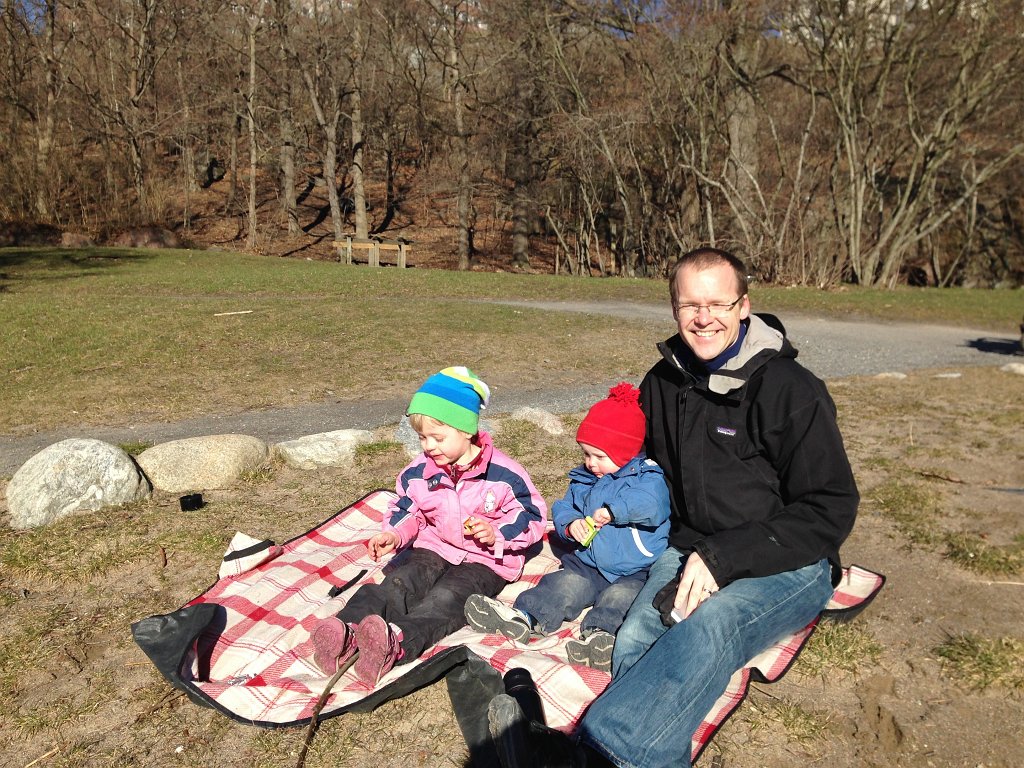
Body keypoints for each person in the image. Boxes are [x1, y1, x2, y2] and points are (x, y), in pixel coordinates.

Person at [493, 248, 859, 767]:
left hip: (789, 558)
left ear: (743, 306)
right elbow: (629, 471)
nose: (703, 317)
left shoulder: (792, 391)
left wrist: (725, 558)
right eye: (690, 304)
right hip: (689, 546)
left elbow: (831, 506)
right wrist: (586, 516)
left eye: (717, 303)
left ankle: (594, 757)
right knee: (637, 638)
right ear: (674, 309)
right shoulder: (661, 383)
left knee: (715, 623)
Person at [309, 366, 547, 687]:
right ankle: (345, 632)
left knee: (446, 598)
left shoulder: (505, 474)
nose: (428, 446)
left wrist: (498, 533)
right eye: (422, 437)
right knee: (400, 581)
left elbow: (531, 514)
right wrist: (393, 534)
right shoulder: (419, 471)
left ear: (467, 430)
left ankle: (394, 643)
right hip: (435, 546)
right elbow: (408, 508)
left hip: (485, 559)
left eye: (438, 437)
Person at [464, 383, 670, 671]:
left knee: (619, 600)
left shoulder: (647, 477)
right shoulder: (586, 478)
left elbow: (651, 504)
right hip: (588, 562)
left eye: (599, 457)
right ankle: (524, 617)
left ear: (626, 452)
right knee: (561, 586)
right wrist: (570, 525)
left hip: (633, 569)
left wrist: (614, 511)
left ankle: (601, 638)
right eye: (586, 454)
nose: (590, 463)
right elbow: (563, 506)